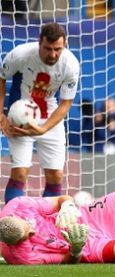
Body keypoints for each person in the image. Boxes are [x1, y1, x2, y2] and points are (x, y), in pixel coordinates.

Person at [0, 22, 80, 203]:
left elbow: (66, 104)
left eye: (57, 49)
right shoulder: (20, 54)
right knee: (20, 172)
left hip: (51, 118)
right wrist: (1, 115)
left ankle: (45, 224)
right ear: (39, 43)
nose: (53, 54)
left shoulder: (71, 65)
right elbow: (1, 79)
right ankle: (14, 222)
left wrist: (44, 129)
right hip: (19, 118)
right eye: (48, 48)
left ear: (65, 44)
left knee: (56, 176)